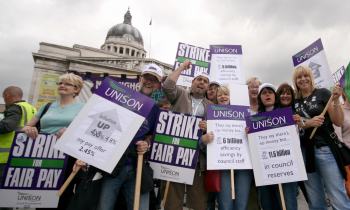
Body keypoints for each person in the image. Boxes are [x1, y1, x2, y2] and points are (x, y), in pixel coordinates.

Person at [96, 63, 162, 210]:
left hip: (137, 166)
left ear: (158, 85)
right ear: (140, 78)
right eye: (146, 77)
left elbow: (150, 135)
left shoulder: (155, 109)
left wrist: (146, 144)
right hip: (113, 166)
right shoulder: (119, 97)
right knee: (104, 206)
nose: (149, 81)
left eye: (154, 79)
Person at [22, 73, 84, 210]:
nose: (62, 85)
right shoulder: (47, 106)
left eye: (67, 84)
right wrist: (28, 129)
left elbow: (86, 133)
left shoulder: (83, 108)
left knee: (62, 193)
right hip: (42, 153)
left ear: (76, 90)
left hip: (67, 156)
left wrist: (70, 132)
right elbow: (28, 125)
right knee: (40, 191)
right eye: (60, 83)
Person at [292, 66, 350, 210]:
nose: (303, 79)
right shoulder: (295, 102)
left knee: (337, 195)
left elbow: (338, 121)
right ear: (295, 81)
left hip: (325, 149)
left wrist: (336, 101)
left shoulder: (324, 93)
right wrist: (308, 123)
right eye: (299, 77)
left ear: (311, 77)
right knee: (315, 200)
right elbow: (295, 125)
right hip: (306, 153)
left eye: (305, 75)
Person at [162, 60, 210, 210]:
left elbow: (215, 133)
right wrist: (182, 67)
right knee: (172, 202)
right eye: (199, 79)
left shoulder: (211, 106)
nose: (202, 83)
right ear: (193, 81)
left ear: (208, 86)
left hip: (197, 160)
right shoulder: (181, 94)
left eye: (205, 81)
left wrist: (208, 128)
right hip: (176, 156)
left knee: (198, 203)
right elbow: (168, 85)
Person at [203, 85, 253, 210]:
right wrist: (204, 138)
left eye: (225, 94)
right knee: (225, 205)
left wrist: (250, 133)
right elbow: (201, 144)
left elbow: (255, 141)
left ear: (231, 97)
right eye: (219, 95)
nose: (222, 97)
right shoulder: (210, 115)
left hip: (243, 166)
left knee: (241, 205)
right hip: (222, 166)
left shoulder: (244, 114)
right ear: (216, 98)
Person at [0, 86, 36, 187]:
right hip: (22, 155)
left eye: (4, 98)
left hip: (4, 158)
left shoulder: (15, 107)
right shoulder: (32, 108)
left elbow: (7, 126)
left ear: (7, 95)